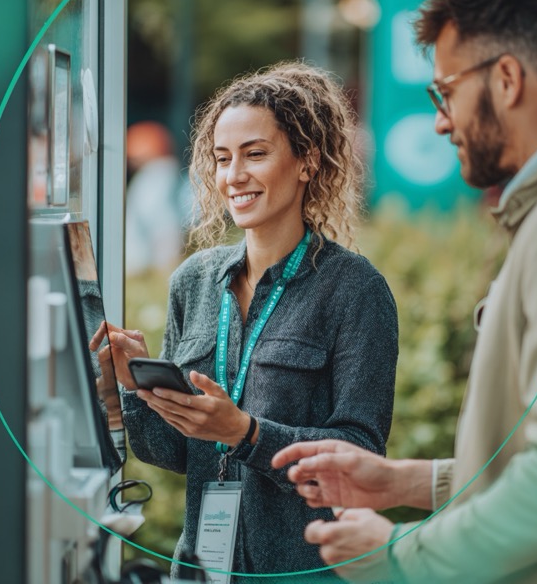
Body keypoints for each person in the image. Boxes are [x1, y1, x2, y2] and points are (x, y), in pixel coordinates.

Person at [273, 0, 537, 584]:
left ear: (508, 79)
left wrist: (400, 556)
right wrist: (401, 482)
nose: (439, 120)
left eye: (447, 90)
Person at [92, 61, 398, 582]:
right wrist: (135, 389)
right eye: (222, 158)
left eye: (255, 154)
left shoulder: (356, 290)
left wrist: (248, 434)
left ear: (307, 162)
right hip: (202, 567)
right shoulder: (193, 280)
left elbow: (362, 456)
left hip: (302, 570)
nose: (234, 175)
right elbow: (175, 453)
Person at [125, 121, 190, 275]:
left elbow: (164, 225)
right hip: (144, 267)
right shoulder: (161, 173)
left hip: (144, 267)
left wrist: (166, 269)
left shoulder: (157, 174)